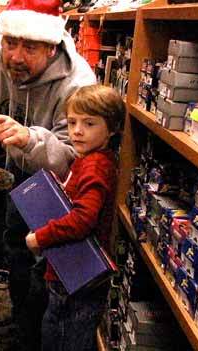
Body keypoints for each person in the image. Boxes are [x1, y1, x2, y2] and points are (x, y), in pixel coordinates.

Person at [0, 0, 96, 348]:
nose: (16, 57)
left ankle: (34, 331)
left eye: (30, 47)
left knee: (44, 257)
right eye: (11, 43)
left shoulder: (77, 83)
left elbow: (72, 156)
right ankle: (22, 318)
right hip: (11, 158)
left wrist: (29, 139)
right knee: (14, 242)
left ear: (52, 47)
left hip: (55, 178)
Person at [26, 85, 125, 351]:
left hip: (74, 274)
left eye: (89, 123)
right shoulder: (91, 158)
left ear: (112, 128)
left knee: (61, 335)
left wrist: (40, 237)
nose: (77, 131)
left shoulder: (95, 166)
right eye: (72, 122)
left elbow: (83, 219)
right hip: (75, 271)